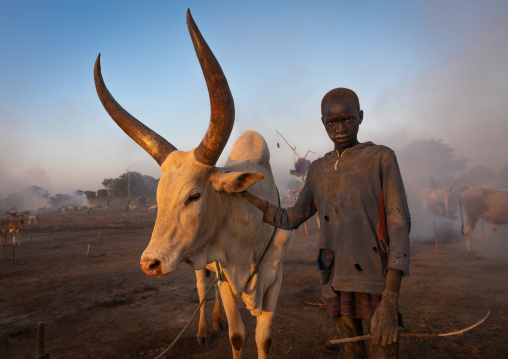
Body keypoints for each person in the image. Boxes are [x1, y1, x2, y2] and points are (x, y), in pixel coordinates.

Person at [238, 88, 410, 359]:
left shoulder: (381, 158)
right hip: (334, 278)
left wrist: (391, 298)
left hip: (377, 280)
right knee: (351, 352)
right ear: (323, 123)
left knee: (384, 352)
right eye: (332, 122)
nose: (340, 128)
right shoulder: (318, 169)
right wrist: (249, 199)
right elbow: (292, 217)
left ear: (360, 117)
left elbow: (399, 224)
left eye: (348, 119)